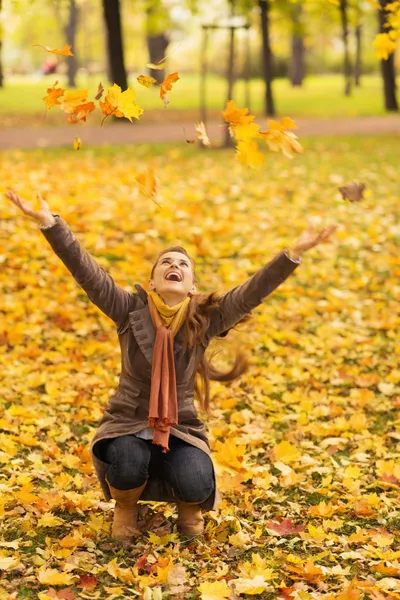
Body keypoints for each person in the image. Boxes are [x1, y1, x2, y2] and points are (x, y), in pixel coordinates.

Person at [4, 190, 337, 541]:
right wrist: (50, 224)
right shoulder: (127, 310)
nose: (174, 266)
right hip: (128, 422)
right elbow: (87, 272)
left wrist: (293, 253)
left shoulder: (205, 319)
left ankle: (189, 507)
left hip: (180, 427)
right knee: (128, 463)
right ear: (151, 283)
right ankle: (126, 507)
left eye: (182, 264)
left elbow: (252, 291)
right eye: (165, 263)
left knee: (195, 480)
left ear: (192, 287)